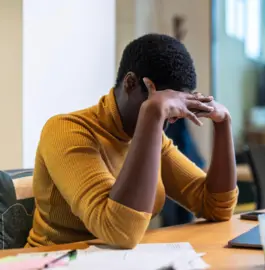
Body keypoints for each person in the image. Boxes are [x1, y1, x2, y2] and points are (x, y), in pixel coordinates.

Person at [26, 34, 238, 248]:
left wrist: (223, 124)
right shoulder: (67, 131)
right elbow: (119, 231)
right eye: (165, 107)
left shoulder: (153, 138)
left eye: (174, 109)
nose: (171, 119)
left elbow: (216, 207)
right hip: (54, 261)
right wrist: (153, 111)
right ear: (130, 83)